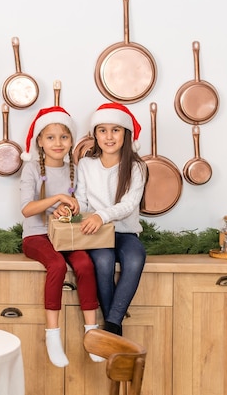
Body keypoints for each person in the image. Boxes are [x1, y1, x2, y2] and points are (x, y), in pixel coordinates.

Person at [20, 106, 102, 368]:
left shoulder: (75, 170)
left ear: (71, 141)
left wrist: (71, 209)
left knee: (84, 264)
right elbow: (26, 209)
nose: (58, 143)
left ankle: (92, 332)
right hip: (37, 236)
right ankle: (52, 335)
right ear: (40, 142)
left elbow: (81, 206)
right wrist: (56, 199)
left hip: (66, 235)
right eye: (51, 137)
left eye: (64, 137)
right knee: (56, 265)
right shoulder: (31, 169)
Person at [73, 102, 147, 336]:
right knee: (103, 263)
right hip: (96, 234)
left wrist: (101, 215)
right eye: (102, 130)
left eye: (115, 130)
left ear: (126, 134)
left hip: (125, 232)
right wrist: (75, 211)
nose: (109, 136)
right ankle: (114, 328)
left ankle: (112, 326)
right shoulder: (86, 164)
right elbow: (83, 201)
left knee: (135, 259)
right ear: (95, 134)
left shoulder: (137, 167)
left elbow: (128, 205)